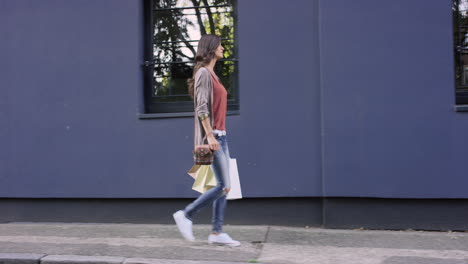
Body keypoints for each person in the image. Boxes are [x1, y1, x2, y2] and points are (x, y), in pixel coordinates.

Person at [172, 34, 240, 247]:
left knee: (226, 187)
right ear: (211, 47)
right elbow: (201, 107)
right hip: (214, 136)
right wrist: (210, 135)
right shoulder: (203, 73)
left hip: (222, 135)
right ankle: (186, 214)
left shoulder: (213, 74)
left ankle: (217, 233)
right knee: (222, 185)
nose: (223, 47)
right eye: (220, 45)